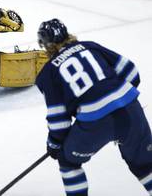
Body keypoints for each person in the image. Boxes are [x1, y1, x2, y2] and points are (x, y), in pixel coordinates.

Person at [35, 18, 152, 195]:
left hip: (96, 123)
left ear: (46, 45)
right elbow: (131, 72)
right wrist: (121, 101)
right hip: (130, 110)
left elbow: (59, 121)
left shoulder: (48, 72)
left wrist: (54, 144)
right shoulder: (90, 46)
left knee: (68, 162)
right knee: (145, 165)